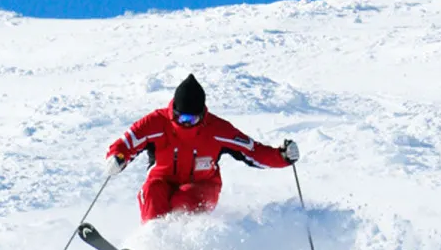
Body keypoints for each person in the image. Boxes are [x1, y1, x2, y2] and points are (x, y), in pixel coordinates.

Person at [104, 74, 300, 223]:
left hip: (202, 187)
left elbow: (253, 152)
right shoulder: (156, 122)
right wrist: (117, 157)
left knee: (184, 200)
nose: (186, 123)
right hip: (162, 181)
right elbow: (127, 143)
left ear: (203, 114)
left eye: (192, 119)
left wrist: (282, 156)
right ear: (173, 111)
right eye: (181, 118)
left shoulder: (217, 130)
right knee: (152, 192)